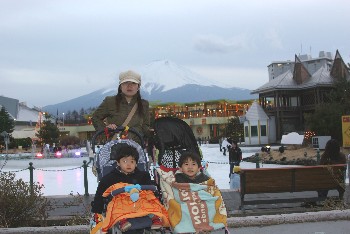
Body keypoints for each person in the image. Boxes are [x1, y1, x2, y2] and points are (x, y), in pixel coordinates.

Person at [91, 143, 165, 232]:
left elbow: (149, 191)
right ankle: (122, 220)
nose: (129, 164)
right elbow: (100, 194)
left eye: (132, 161)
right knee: (116, 204)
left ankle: (154, 217)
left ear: (136, 163)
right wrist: (97, 210)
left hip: (140, 204)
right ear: (118, 162)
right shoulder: (109, 178)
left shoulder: (143, 176)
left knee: (150, 198)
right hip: (122, 205)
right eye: (125, 161)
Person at [92, 70, 150, 144]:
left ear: (138, 87)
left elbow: (145, 126)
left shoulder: (144, 104)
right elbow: (95, 117)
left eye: (133, 83)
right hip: (115, 145)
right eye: (126, 83)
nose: (129, 86)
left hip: (136, 146)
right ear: (121, 86)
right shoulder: (109, 101)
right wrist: (106, 129)